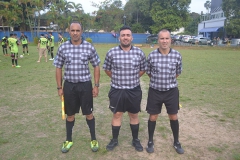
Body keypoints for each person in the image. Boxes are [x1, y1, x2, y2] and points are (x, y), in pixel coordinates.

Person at [54, 21, 100, 153]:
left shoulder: (89, 47)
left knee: (89, 114)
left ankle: (93, 139)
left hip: (85, 85)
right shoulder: (63, 47)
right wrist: (59, 87)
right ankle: (68, 139)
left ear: (81, 32)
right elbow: (58, 67)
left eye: (77, 31)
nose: (75, 33)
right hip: (69, 86)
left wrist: (96, 85)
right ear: (69, 32)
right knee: (70, 115)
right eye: (72, 30)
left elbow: (96, 65)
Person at [103, 25, 146, 152]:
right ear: (119, 37)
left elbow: (143, 69)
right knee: (117, 114)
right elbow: (107, 69)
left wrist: (132, 77)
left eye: (128, 35)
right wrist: (117, 78)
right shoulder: (112, 52)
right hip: (117, 90)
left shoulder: (139, 52)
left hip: (134, 89)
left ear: (132, 37)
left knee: (134, 114)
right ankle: (114, 140)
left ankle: (135, 140)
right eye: (123, 35)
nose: (125, 37)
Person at [145, 29, 184, 154]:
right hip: (155, 91)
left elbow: (177, 73)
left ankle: (176, 142)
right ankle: (150, 141)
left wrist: (168, 81)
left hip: (171, 91)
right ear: (158, 40)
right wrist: (158, 81)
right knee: (153, 116)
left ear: (171, 40)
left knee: (173, 115)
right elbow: (149, 72)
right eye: (162, 38)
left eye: (167, 38)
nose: (164, 41)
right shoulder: (151, 55)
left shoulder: (177, 55)